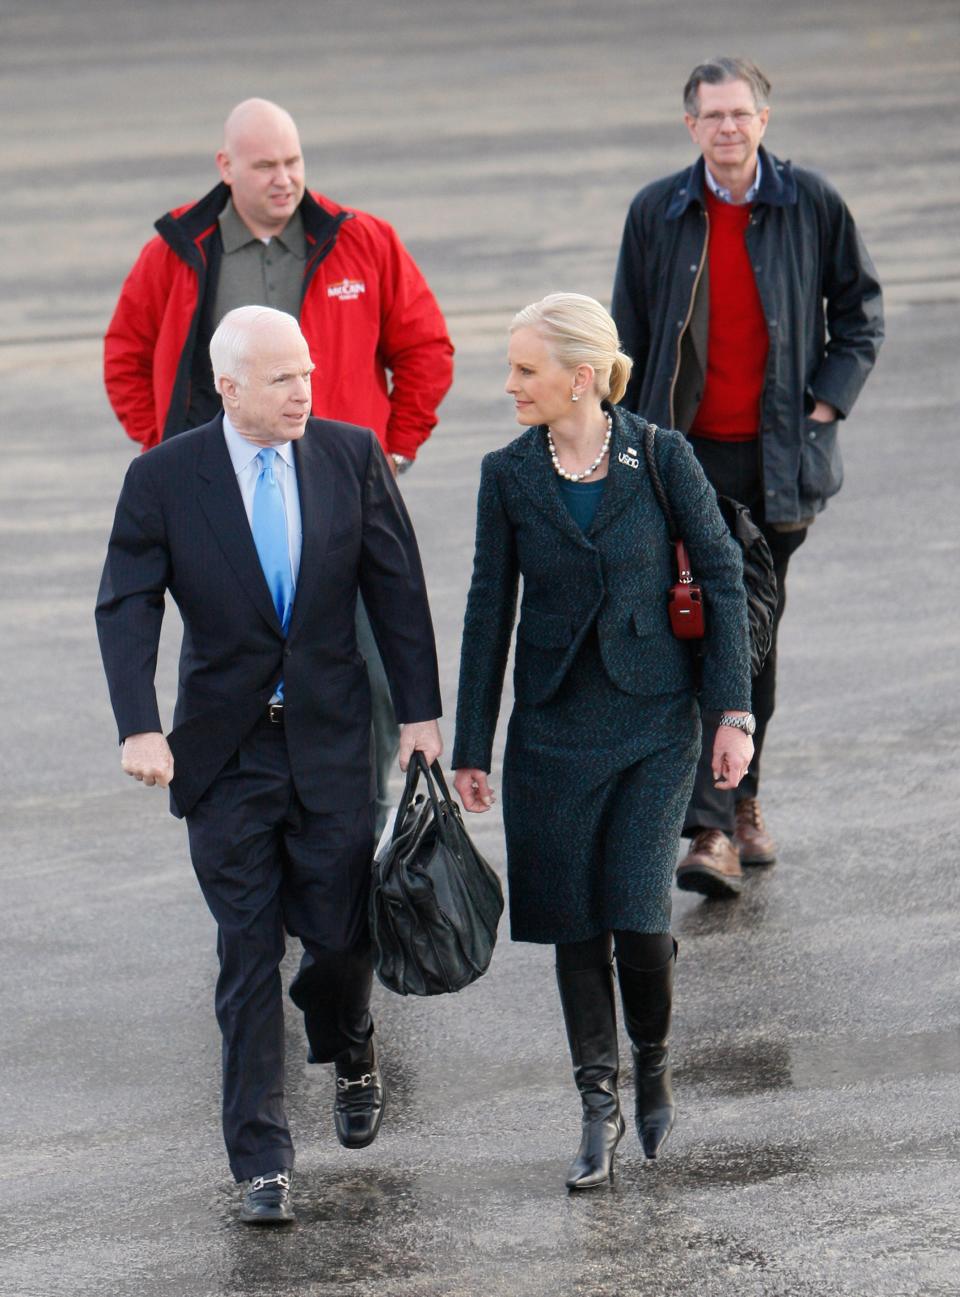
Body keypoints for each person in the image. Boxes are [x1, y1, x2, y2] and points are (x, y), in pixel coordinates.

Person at [96, 306, 443, 1225]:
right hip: (223, 751)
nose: (304, 390)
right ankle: (261, 1161)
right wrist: (139, 726)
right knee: (247, 951)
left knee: (338, 934)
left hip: (333, 737)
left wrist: (420, 713)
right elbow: (127, 603)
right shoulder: (164, 478)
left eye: (308, 373)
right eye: (283, 378)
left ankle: (351, 1037)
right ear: (229, 387)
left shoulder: (349, 454)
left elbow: (396, 583)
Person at [452, 294, 752, 1190]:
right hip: (550, 728)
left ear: (581, 377)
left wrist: (730, 713)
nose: (509, 384)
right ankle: (598, 1103)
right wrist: (473, 744)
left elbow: (725, 580)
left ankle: (651, 1058)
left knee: (634, 911)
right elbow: (485, 612)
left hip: (654, 722)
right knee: (574, 920)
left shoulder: (661, 457)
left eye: (525, 369)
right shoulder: (507, 475)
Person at [104, 97, 454, 837]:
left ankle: (359, 819)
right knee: (231, 664)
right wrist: (163, 450)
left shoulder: (364, 243)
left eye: (294, 161)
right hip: (217, 495)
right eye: (265, 165)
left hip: (333, 489)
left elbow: (425, 348)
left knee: (362, 657)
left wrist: (393, 449)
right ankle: (247, 822)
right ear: (226, 167)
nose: (284, 178)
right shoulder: (179, 247)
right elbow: (126, 353)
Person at [611, 57, 883, 898]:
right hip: (682, 458)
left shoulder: (811, 204)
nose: (728, 128)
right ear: (690, 126)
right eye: (712, 116)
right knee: (696, 629)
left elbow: (861, 312)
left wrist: (823, 413)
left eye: (741, 113)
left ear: (765, 118)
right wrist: (621, 445)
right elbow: (623, 332)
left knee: (747, 639)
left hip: (776, 463)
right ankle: (719, 822)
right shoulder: (657, 211)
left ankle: (729, 814)